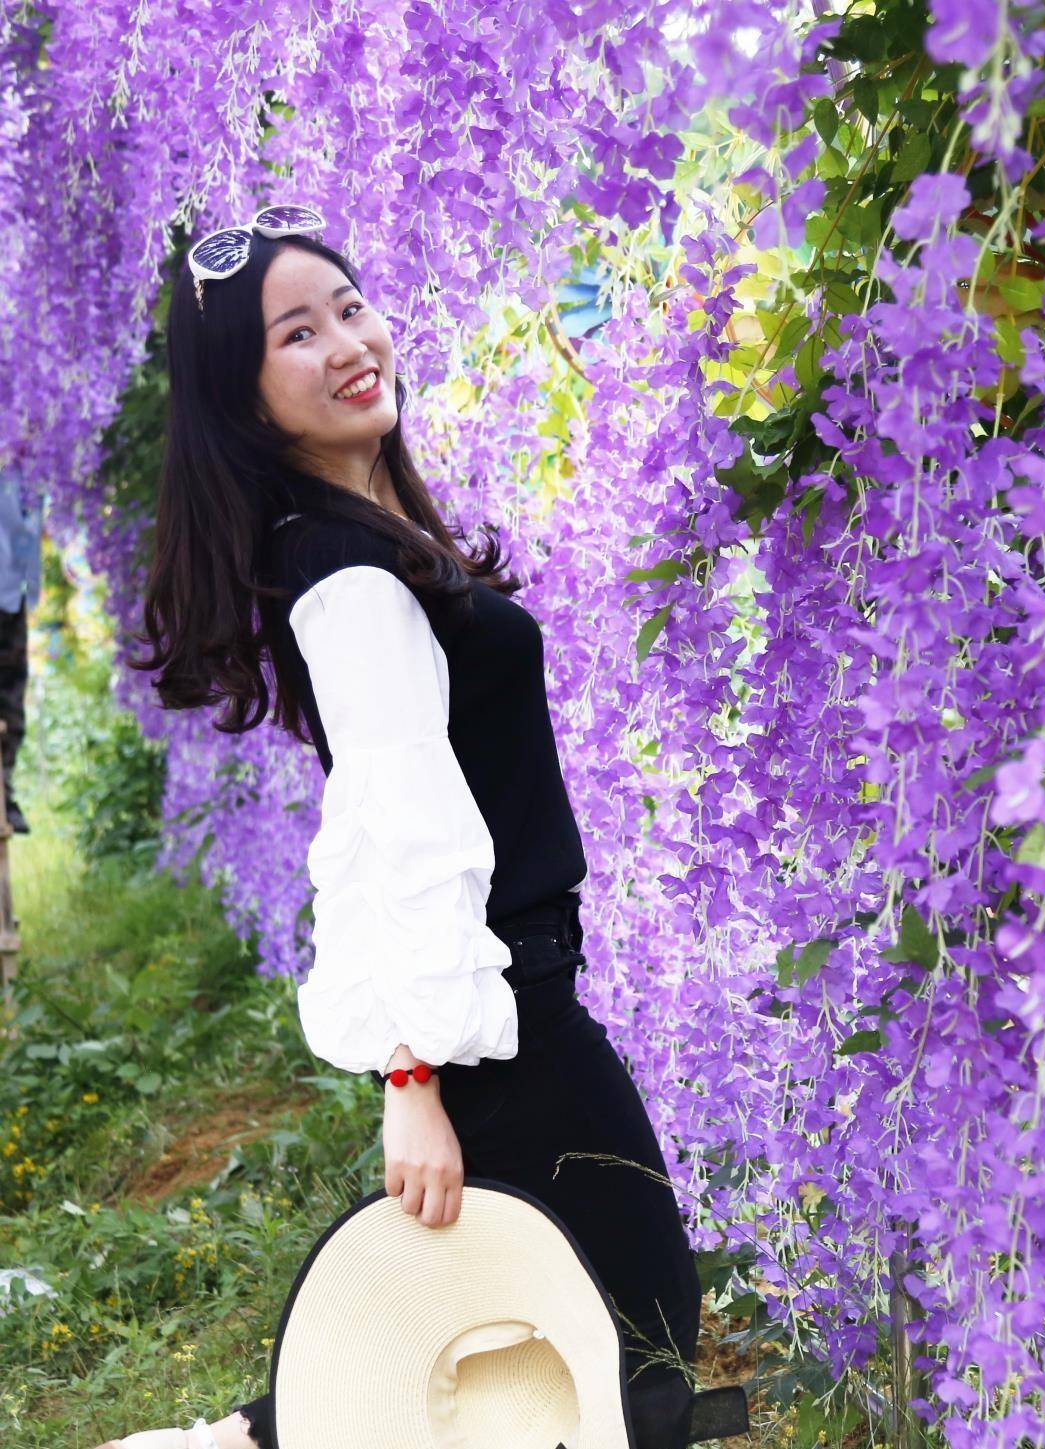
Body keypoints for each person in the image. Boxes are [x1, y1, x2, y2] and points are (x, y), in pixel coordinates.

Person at [112, 211, 704, 1449]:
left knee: (523, 1350)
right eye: (296, 332)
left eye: (348, 305)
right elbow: (392, 824)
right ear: (245, 395)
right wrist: (411, 1080)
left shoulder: (369, 546)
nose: (346, 341)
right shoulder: (348, 577)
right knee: (635, 1340)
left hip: (512, 1003)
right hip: (504, 1025)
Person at [0, 458, 41, 834]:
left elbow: (30, 527)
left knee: (12, 704)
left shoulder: (20, 466)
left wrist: (34, 584)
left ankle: (4, 795)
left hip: (9, 598)